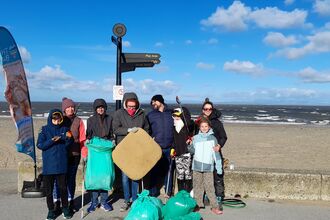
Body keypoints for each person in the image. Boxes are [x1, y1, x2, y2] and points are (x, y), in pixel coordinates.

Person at [112, 92, 149, 212]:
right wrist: (128, 130)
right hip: (124, 149)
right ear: (125, 104)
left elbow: (147, 129)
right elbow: (116, 129)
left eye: (134, 106)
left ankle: (135, 199)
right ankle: (126, 200)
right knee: (124, 177)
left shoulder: (142, 114)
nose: (132, 109)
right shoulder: (118, 114)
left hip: (137, 150)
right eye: (129, 106)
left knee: (136, 176)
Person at [37, 109, 74, 220]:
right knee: (49, 190)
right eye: (54, 119)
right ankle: (51, 211)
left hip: (62, 165)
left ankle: (65, 209)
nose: (57, 121)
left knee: (63, 188)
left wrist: (64, 138)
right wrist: (52, 140)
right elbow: (40, 145)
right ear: (51, 118)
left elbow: (69, 142)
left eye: (59, 119)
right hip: (49, 166)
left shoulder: (65, 129)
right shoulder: (44, 130)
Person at [53, 97, 86, 212]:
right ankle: (56, 202)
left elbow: (82, 138)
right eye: (68, 107)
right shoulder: (60, 119)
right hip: (61, 154)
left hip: (75, 154)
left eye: (72, 107)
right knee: (59, 179)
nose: (71, 109)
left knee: (71, 179)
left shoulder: (79, 121)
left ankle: (70, 201)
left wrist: (84, 153)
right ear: (64, 109)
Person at [196, 98, 227, 209]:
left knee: (217, 175)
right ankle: (205, 197)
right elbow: (195, 135)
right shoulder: (199, 121)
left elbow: (223, 137)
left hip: (215, 152)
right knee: (204, 176)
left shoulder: (217, 123)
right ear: (202, 110)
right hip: (202, 154)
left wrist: (219, 145)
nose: (208, 110)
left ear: (212, 109)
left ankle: (218, 198)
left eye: (210, 109)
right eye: (206, 109)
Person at [188, 117, 223, 215]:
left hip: (208, 168)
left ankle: (214, 206)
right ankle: (198, 205)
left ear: (209, 127)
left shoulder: (213, 139)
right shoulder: (195, 138)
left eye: (206, 126)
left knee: (210, 187)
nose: (204, 128)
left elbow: (216, 154)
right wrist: (190, 145)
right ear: (199, 127)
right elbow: (192, 152)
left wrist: (219, 167)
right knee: (197, 187)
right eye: (202, 126)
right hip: (196, 167)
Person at [84, 98, 114, 213]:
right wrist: (87, 141)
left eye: (102, 107)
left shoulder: (110, 119)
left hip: (106, 150)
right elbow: (89, 135)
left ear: (105, 108)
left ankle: (104, 202)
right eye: (98, 107)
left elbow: (111, 133)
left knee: (105, 177)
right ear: (95, 109)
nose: (100, 109)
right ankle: (94, 202)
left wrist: (112, 140)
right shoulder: (90, 120)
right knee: (95, 177)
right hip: (95, 151)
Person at [147, 94, 174, 198]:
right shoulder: (150, 115)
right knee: (154, 171)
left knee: (169, 170)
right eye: (152, 102)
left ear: (161, 101)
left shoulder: (171, 113)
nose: (153, 104)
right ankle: (153, 193)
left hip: (169, 147)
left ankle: (168, 192)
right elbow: (147, 130)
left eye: (155, 101)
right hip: (156, 147)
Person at [172, 107, 194, 193]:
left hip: (187, 153)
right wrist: (172, 149)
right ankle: (181, 193)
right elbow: (173, 140)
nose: (176, 117)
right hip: (178, 154)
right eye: (174, 115)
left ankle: (188, 192)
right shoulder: (174, 126)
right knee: (180, 175)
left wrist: (183, 113)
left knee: (188, 174)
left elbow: (190, 123)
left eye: (178, 115)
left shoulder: (187, 125)